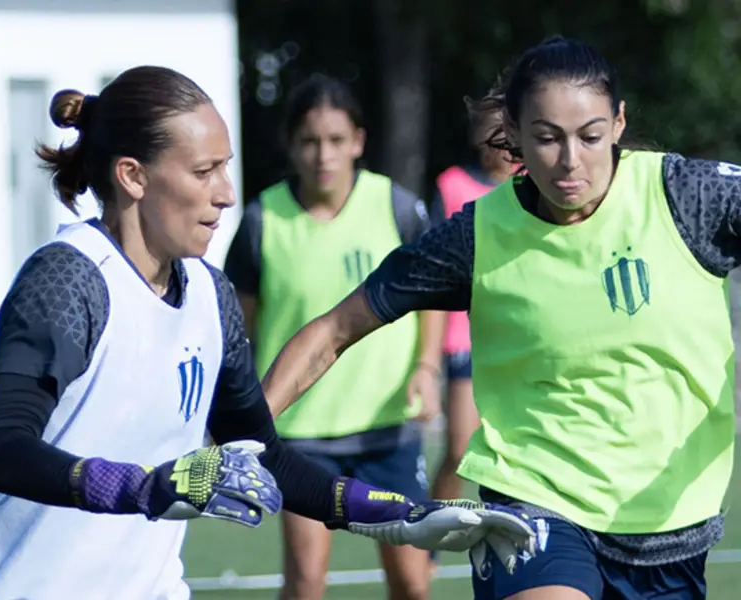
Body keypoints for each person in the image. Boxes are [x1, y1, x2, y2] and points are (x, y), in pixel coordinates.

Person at [0, 65, 536, 600]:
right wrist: (142, 487)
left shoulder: (209, 297)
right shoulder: (68, 279)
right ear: (134, 176)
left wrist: (403, 518)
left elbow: (265, 456)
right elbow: (1, 450)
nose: (225, 194)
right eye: (203, 172)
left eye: (225, 169)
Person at [259, 36, 736, 600]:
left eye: (590, 136)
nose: (569, 161)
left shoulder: (686, 195)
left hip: (671, 522)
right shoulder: (476, 234)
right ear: (511, 131)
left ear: (618, 122)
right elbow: (336, 328)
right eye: (546, 138)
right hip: (534, 505)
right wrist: (244, 433)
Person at [224, 74, 444, 600]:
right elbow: (238, 330)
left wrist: (427, 367)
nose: (323, 154)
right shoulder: (261, 221)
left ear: (358, 143)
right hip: (300, 436)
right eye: (310, 141)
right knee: (305, 584)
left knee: (413, 583)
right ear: (291, 145)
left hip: (388, 429)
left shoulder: (396, 207)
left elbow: (433, 293)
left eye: (336, 140)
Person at [428, 98, 515, 506]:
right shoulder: (452, 186)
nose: (498, 144)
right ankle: (430, 533)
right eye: (490, 134)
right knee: (460, 449)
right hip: (466, 338)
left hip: (520, 332)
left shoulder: (535, 186)